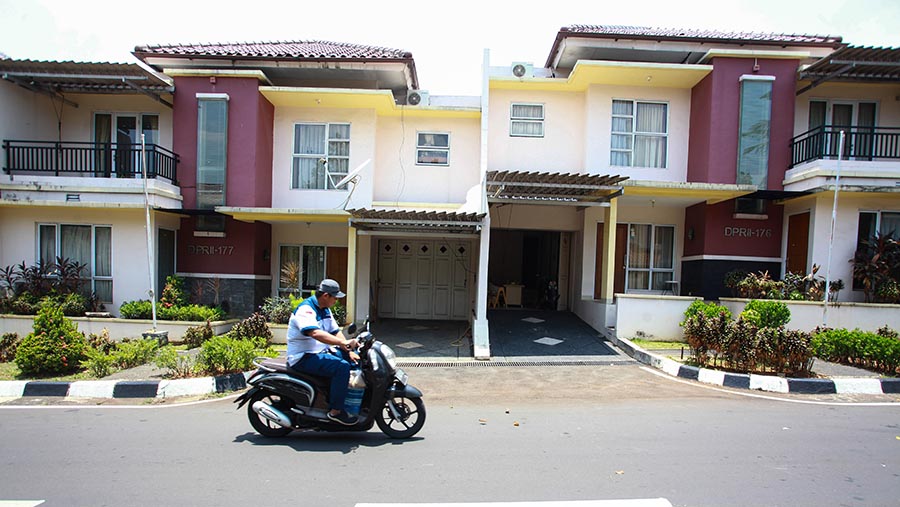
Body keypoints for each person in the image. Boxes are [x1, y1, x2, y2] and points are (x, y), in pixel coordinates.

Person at [286, 278, 360, 425]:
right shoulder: (306, 310)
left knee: (353, 361)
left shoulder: (325, 309)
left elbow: (334, 331)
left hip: (319, 353)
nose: (336, 301)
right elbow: (315, 333)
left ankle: (346, 400)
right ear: (326, 296)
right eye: (335, 298)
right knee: (341, 367)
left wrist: (348, 349)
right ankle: (335, 411)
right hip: (302, 357)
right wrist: (342, 343)